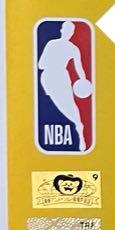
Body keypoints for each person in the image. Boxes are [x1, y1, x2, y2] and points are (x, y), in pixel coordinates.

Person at [37, 20, 89, 152]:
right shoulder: (56, 45)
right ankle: (78, 127)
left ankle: (79, 129)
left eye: (70, 31)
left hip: (58, 77)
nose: (68, 33)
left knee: (69, 105)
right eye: (67, 30)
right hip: (50, 78)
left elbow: (79, 68)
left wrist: (83, 81)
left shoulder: (70, 48)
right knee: (61, 105)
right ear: (62, 30)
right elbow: (40, 65)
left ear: (72, 33)